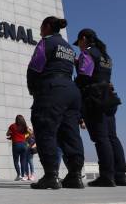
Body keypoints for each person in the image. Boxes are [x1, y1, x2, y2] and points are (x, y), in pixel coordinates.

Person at [27, 16, 85, 189]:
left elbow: (35, 68)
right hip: (71, 90)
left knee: (46, 129)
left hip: (52, 88)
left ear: (47, 27)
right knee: (70, 133)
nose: (39, 30)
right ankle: (75, 175)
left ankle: (51, 175)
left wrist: (33, 89)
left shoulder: (46, 42)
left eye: (41, 26)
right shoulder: (68, 47)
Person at [74, 28, 126, 187]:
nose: (79, 47)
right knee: (112, 136)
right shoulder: (106, 56)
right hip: (108, 97)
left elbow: (84, 77)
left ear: (84, 38)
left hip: (94, 98)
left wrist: (74, 81)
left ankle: (107, 175)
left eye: (79, 43)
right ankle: (120, 175)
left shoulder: (88, 53)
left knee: (101, 138)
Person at [7, 115, 29, 181]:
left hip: (16, 144)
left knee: (16, 161)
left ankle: (18, 175)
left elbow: (7, 134)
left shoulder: (12, 126)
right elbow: (29, 133)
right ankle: (23, 176)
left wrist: (12, 134)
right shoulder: (24, 126)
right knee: (23, 161)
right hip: (24, 144)